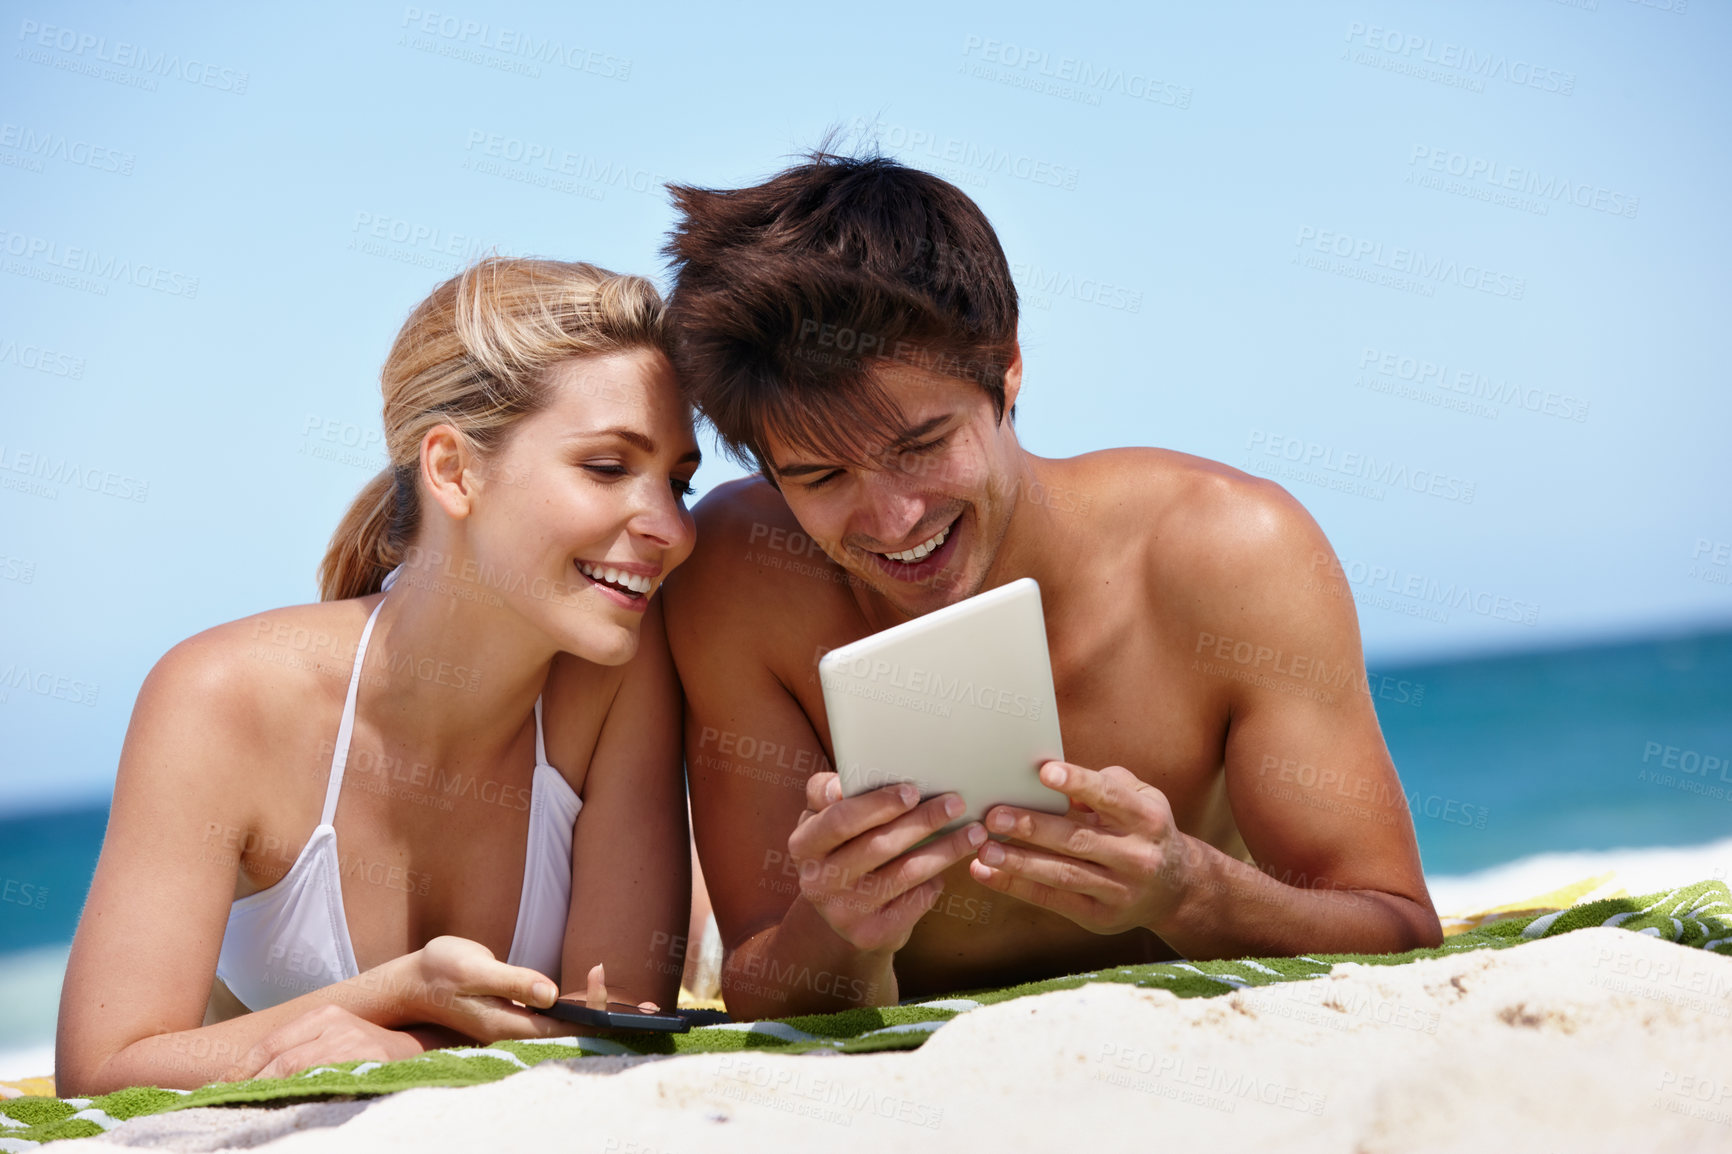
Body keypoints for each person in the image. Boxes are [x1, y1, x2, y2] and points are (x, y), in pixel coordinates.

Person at [660, 154, 1444, 1019]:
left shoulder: (1230, 554)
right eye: (819, 477)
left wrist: (1191, 892)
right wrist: (839, 927)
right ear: (767, 470)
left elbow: (1399, 927)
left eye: (921, 445)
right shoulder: (742, 578)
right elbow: (766, 994)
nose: (892, 520)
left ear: (1006, 368)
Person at [57, 258, 700, 1094]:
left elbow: (620, 1024)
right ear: (452, 470)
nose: (673, 530)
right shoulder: (222, 699)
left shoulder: (619, 679)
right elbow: (101, 1068)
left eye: (681, 483)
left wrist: (414, 1049)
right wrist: (392, 995)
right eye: (609, 468)